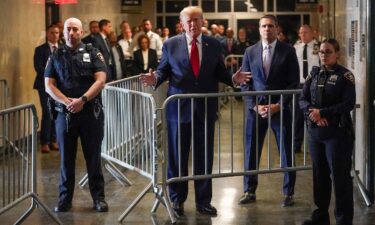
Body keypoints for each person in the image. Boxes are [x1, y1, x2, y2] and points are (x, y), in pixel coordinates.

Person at [139, 6, 250, 217]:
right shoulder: (171, 44)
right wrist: (155, 79)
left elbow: (219, 71)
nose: (193, 24)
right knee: (177, 157)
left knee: (204, 157)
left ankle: (203, 202)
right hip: (178, 110)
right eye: (188, 21)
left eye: (196, 20)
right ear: (182, 24)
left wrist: (232, 79)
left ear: (203, 21)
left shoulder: (213, 44)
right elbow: (163, 70)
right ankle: (177, 200)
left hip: (205, 110)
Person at [44, 17, 108, 213]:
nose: (71, 33)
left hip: (90, 112)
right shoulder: (55, 55)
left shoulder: (93, 52)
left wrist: (82, 100)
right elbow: (49, 85)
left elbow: (101, 80)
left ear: (81, 32)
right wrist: (67, 102)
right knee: (66, 159)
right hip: (65, 114)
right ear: (63, 32)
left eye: (75, 30)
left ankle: (99, 199)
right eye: (68, 30)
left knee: (93, 158)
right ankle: (65, 199)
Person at [239, 15, 299, 207]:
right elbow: (245, 84)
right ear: (259, 29)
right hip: (256, 111)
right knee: (251, 151)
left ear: (276, 28)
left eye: (270, 26)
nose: (267, 29)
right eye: (263, 26)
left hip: (280, 110)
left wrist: (278, 105)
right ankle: (249, 190)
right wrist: (255, 105)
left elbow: (293, 83)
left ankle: (288, 192)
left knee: (286, 151)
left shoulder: (288, 51)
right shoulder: (250, 52)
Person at [300, 39, 356, 225]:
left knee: (340, 179)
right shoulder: (314, 74)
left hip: (337, 134)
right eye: (321, 52)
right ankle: (321, 216)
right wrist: (313, 114)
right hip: (316, 133)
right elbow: (303, 98)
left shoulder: (345, 76)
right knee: (319, 176)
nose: (324, 55)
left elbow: (347, 104)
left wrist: (322, 112)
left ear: (337, 54)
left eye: (328, 51)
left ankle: (343, 219)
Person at [293, 24, 320, 153]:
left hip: (314, 85)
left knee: (314, 115)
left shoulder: (319, 47)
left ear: (312, 33)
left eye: (305, 32)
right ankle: (296, 145)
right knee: (298, 116)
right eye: (301, 33)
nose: (302, 35)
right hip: (299, 85)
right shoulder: (296, 47)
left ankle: (315, 144)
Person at [33, 24, 60, 153]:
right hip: (44, 86)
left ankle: (54, 140)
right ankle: (45, 142)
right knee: (47, 112)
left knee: (56, 112)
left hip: (59, 87)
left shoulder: (63, 49)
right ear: (47, 34)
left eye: (57, 33)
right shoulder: (40, 49)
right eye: (52, 33)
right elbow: (39, 67)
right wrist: (52, 77)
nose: (54, 35)